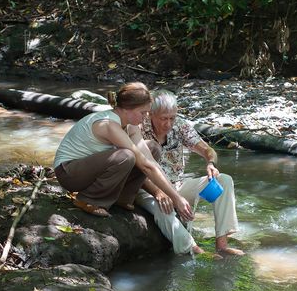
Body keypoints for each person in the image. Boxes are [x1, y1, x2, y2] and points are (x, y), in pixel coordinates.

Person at [53, 82, 192, 219]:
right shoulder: (109, 125)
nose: (145, 118)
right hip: (68, 173)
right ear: (127, 109)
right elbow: (144, 165)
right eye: (143, 113)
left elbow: (150, 162)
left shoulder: (131, 126)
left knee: (153, 148)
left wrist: (173, 194)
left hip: (87, 170)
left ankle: (123, 197)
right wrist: (176, 198)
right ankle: (88, 200)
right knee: (127, 156)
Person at [137, 89, 244, 256]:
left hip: (177, 185)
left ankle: (222, 244)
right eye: (163, 118)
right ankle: (193, 249)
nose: (168, 123)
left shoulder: (180, 126)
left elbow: (208, 150)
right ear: (151, 114)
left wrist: (210, 163)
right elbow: (136, 168)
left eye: (172, 118)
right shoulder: (138, 128)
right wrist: (158, 192)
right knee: (163, 208)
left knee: (224, 180)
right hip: (149, 188)